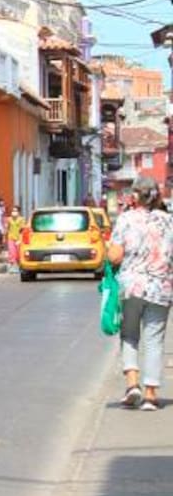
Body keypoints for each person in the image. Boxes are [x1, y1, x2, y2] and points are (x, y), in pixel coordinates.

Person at [108, 176, 173, 411]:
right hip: (161, 287)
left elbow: (115, 256)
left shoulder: (126, 219)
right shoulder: (168, 221)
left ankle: (132, 385)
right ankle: (150, 395)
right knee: (154, 340)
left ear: (135, 196)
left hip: (132, 287)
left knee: (129, 335)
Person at [5, 205, 26, 272]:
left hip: (19, 238)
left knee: (18, 253)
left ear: (19, 212)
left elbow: (22, 229)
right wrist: (4, 237)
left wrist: (21, 238)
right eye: (13, 211)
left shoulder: (22, 219)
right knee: (12, 252)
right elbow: (7, 228)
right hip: (11, 238)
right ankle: (12, 267)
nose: (14, 212)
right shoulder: (9, 219)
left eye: (15, 211)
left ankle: (20, 267)